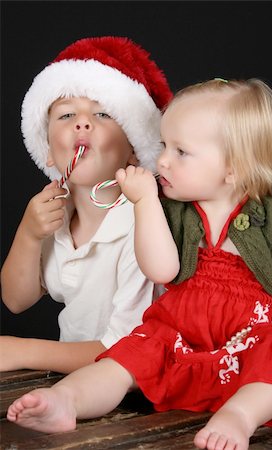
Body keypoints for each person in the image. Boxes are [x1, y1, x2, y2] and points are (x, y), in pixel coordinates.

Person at [6, 79, 272, 450]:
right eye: (163, 146)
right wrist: (144, 202)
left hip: (249, 334)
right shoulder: (172, 211)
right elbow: (161, 270)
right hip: (178, 332)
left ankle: (239, 417)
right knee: (125, 358)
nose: (161, 160)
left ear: (233, 168)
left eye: (181, 151)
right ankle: (67, 400)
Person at [0, 36, 172, 374]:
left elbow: (129, 349)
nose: (82, 122)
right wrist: (29, 234)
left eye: (103, 113)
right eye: (65, 115)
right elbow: (16, 300)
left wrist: (19, 351)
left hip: (136, 381)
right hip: (78, 381)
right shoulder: (54, 215)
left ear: (134, 148)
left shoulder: (143, 222)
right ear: (47, 148)